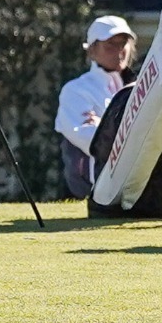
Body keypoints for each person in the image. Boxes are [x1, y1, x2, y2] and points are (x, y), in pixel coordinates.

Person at [56, 15, 137, 199]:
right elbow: (88, 139)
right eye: (110, 44)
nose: (119, 50)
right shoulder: (75, 90)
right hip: (89, 192)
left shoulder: (137, 89)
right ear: (91, 51)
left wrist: (103, 125)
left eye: (122, 43)